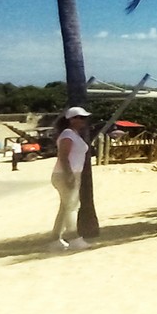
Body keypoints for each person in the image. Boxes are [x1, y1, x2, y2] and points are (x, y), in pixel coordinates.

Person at [51, 106, 92, 250]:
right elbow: (63, 156)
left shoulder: (72, 134)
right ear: (71, 119)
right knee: (72, 207)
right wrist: (69, 175)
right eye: (79, 117)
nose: (82, 121)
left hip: (72, 173)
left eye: (83, 118)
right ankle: (74, 239)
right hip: (66, 173)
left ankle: (55, 240)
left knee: (65, 207)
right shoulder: (67, 134)